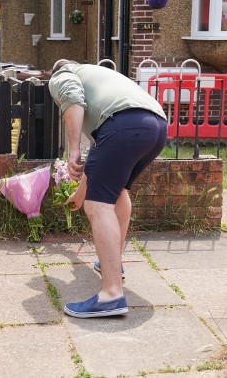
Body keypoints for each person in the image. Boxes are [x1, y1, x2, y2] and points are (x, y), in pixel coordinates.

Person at [48, 59, 168, 318]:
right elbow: (99, 162)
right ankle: (112, 264)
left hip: (125, 125)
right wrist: (79, 194)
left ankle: (111, 294)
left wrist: (73, 150)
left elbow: (71, 98)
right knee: (117, 192)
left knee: (98, 205)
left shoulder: (63, 74)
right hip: (156, 125)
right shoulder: (100, 76)